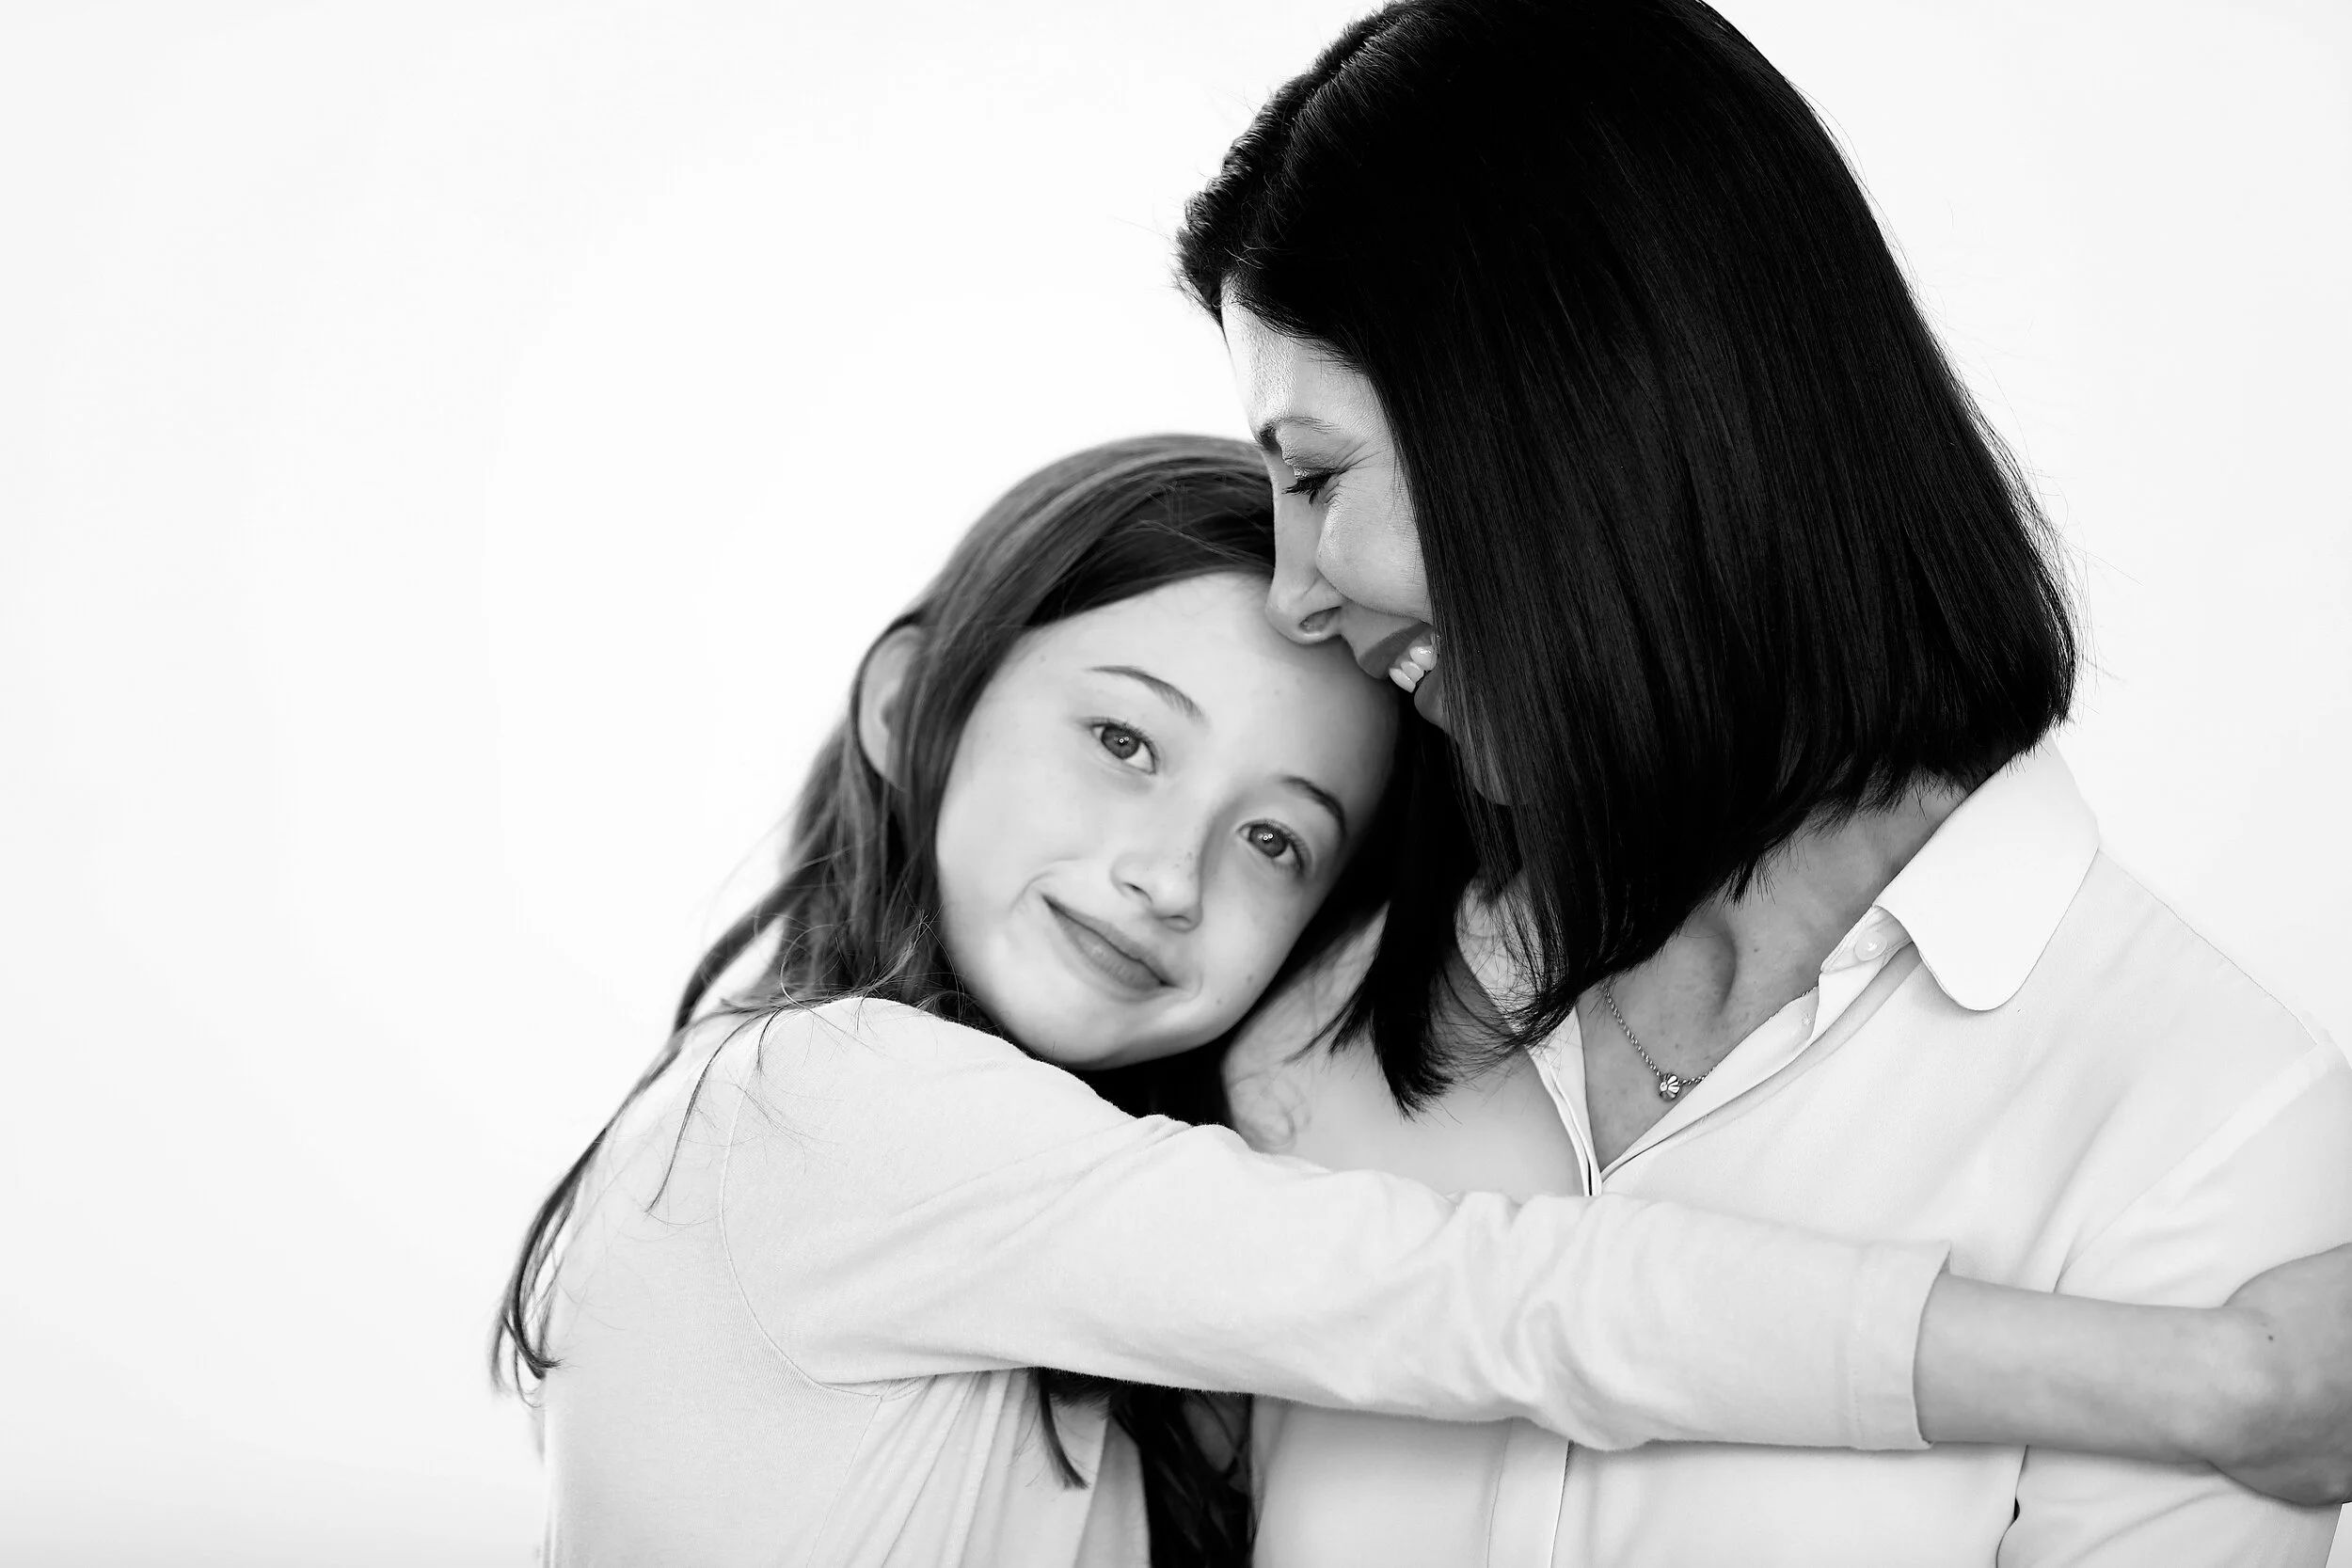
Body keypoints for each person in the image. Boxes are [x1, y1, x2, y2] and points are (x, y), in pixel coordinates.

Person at [1175, 1, 2352, 1563]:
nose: (1293, 596)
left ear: (1580, 422)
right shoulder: (1315, 1015)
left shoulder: (2198, 1124)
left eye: (1317, 476)